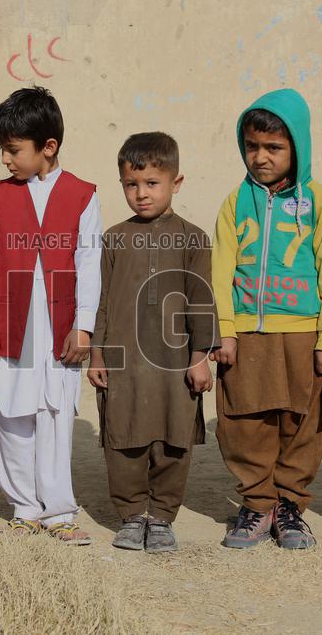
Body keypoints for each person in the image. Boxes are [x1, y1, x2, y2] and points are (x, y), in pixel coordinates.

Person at [210, 88, 322, 550]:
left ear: (297, 148)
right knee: (244, 423)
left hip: (302, 333)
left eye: (274, 148)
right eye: (252, 146)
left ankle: (289, 506)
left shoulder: (319, 202)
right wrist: (224, 329)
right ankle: (255, 505)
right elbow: (220, 270)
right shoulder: (235, 203)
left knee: (301, 423)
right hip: (247, 335)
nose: (261, 157)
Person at [0, 87, 102, 545]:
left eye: (13, 150)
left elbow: (89, 264)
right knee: (12, 414)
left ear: (47, 147)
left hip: (60, 326)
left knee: (54, 414)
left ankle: (59, 512)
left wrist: (83, 325)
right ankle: (25, 507)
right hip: (13, 323)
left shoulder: (83, 195)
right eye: (3, 151)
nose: (6, 160)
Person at [87, 132, 218, 553]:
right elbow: (102, 301)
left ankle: (161, 516)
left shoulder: (194, 239)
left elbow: (201, 302)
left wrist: (200, 358)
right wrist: (95, 353)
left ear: (176, 183)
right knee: (121, 437)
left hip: (173, 363)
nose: (140, 194)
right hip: (123, 363)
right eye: (131, 184)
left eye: (152, 183)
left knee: (172, 439)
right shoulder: (114, 239)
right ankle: (130, 515)